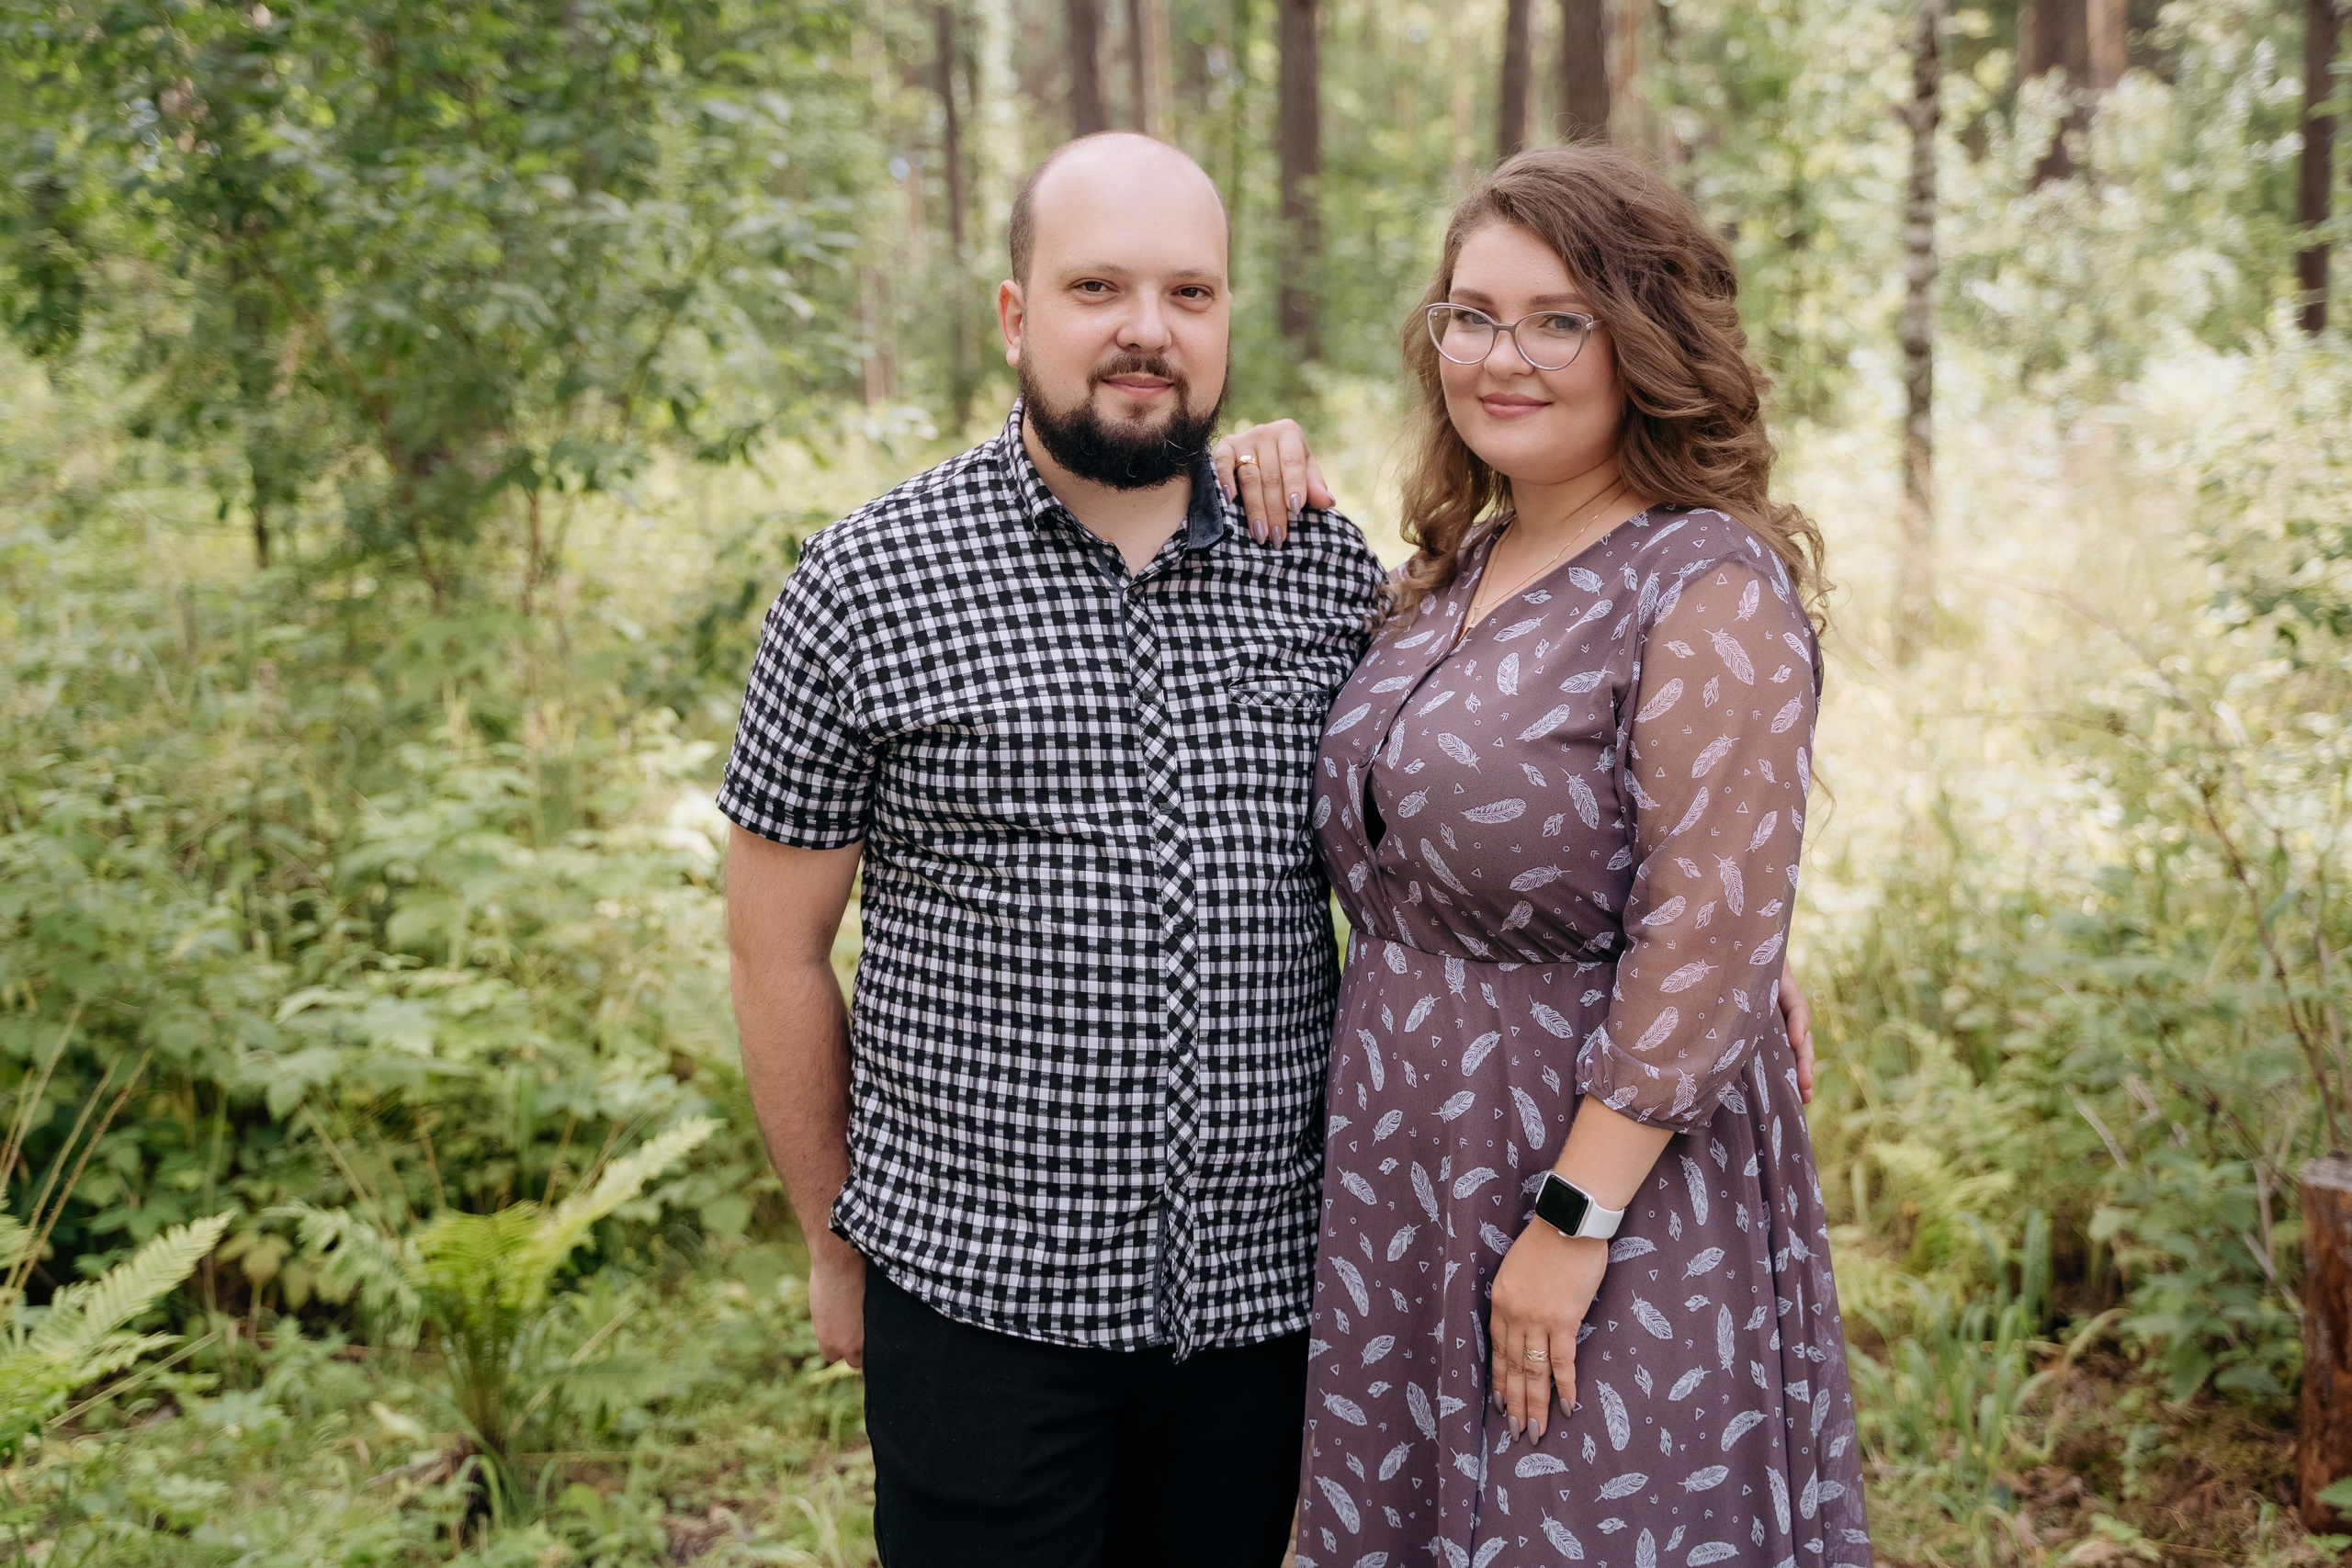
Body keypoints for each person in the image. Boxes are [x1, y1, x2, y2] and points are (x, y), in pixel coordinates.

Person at [722, 131, 1822, 1568]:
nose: (1144, 331)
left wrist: (1728, 955)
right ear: (1014, 314)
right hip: (984, 1294)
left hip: (1269, 1295)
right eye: (1097, 287)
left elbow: (1598, 834)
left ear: (1229, 316)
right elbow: (772, 946)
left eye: (1189, 293)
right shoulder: (869, 582)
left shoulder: (1315, 570)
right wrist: (830, 1238)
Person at [1220, 145, 1870, 1568]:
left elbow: (1704, 931)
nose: (1501, 357)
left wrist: (1571, 1225)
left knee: (1579, 1514)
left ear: (1645, 340)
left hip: (1598, 1169)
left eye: (1557, 319)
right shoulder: (1451, 569)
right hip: (1405, 1156)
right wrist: (1248, 460)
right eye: (1472, 315)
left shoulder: (1702, 580)